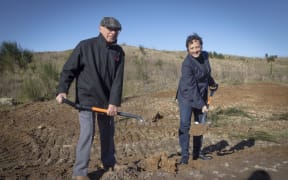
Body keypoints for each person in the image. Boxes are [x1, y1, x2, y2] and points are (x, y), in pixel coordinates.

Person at [56, 17, 125, 180]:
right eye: (109, 28)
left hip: (106, 101)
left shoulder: (119, 53)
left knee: (108, 132)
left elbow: (118, 80)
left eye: (116, 30)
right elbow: (68, 69)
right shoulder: (85, 46)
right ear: (100, 28)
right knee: (87, 133)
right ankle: (80, 172)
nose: (112, 32)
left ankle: (109, 162)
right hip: (86, 100)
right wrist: (62, 90)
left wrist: (114, 102)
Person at [176, 33, 218, 164]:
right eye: (192, 48)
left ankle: (197, 152)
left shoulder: (205, 56)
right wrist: (202, 105)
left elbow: (206, 73)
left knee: (200, 124)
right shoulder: (187, 64)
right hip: (187, 96)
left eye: (197, 47)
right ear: (188, 49)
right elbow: (191, 87)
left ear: (201, 46)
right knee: (185, 124)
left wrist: (212, 83)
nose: (195, 50)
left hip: (201, 93)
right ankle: (184, 154)